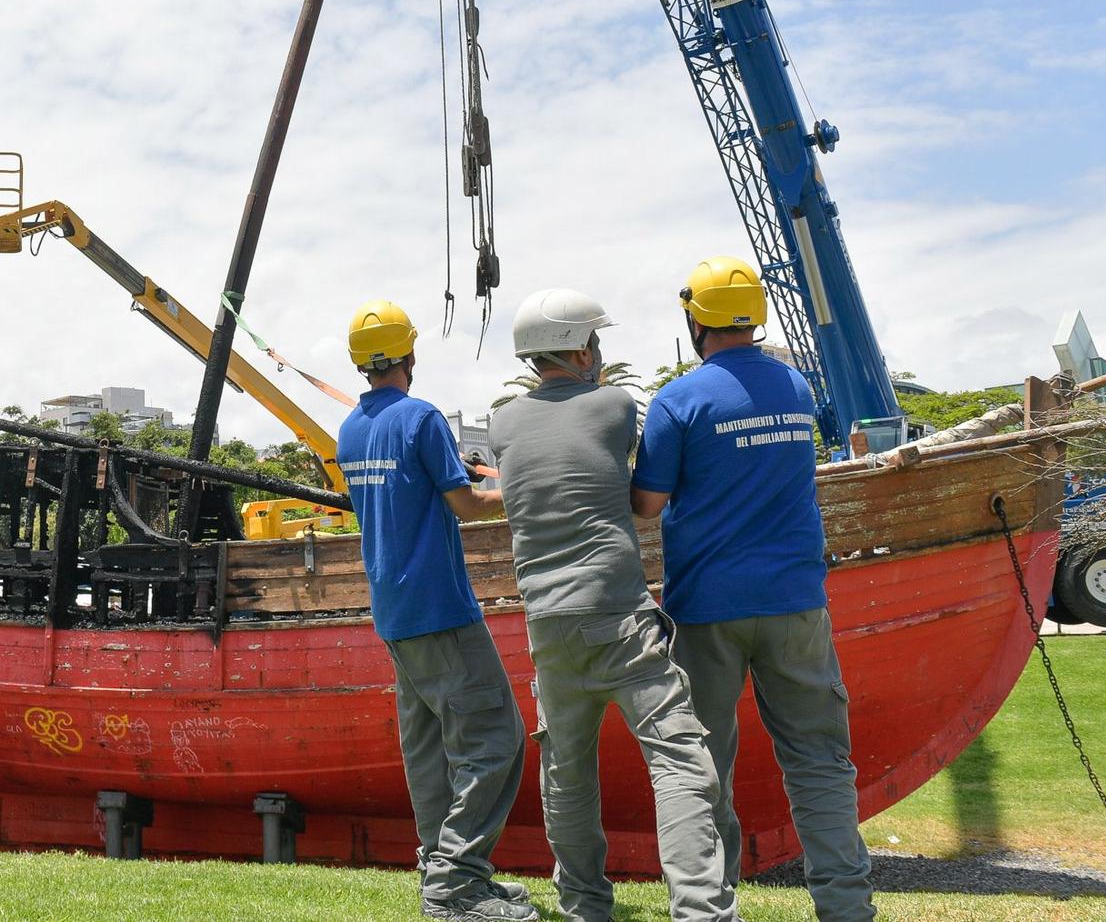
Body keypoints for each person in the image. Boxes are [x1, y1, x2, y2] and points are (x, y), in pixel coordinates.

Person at [632, 257, 876, 922]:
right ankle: (847, 909)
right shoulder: (795, 388)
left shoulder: (679, 400)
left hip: (706, 608)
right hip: (796, 603)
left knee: (701, 768)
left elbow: (647, 504)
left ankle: (712, 910)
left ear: (694, 318)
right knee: (820, 761)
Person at [489, 289, 736, 922]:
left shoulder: (504, 423)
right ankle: (702, 910)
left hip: (546, 623)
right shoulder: (615, 403)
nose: (601, 353)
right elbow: (632, 486)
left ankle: (584, 906)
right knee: (681, 760)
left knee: (567, 776)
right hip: (618, 615)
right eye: (595, 342)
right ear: (577, 349)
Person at [337, 299, 535, 922]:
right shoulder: (422, 417)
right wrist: (526, 488)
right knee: (495, 740)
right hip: (440, 607)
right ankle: (456, 884)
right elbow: (468, 505)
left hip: (393, 610)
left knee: (427, 747)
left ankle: (442, 869)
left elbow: (409, 493)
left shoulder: (350, 429)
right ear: (410, 354)